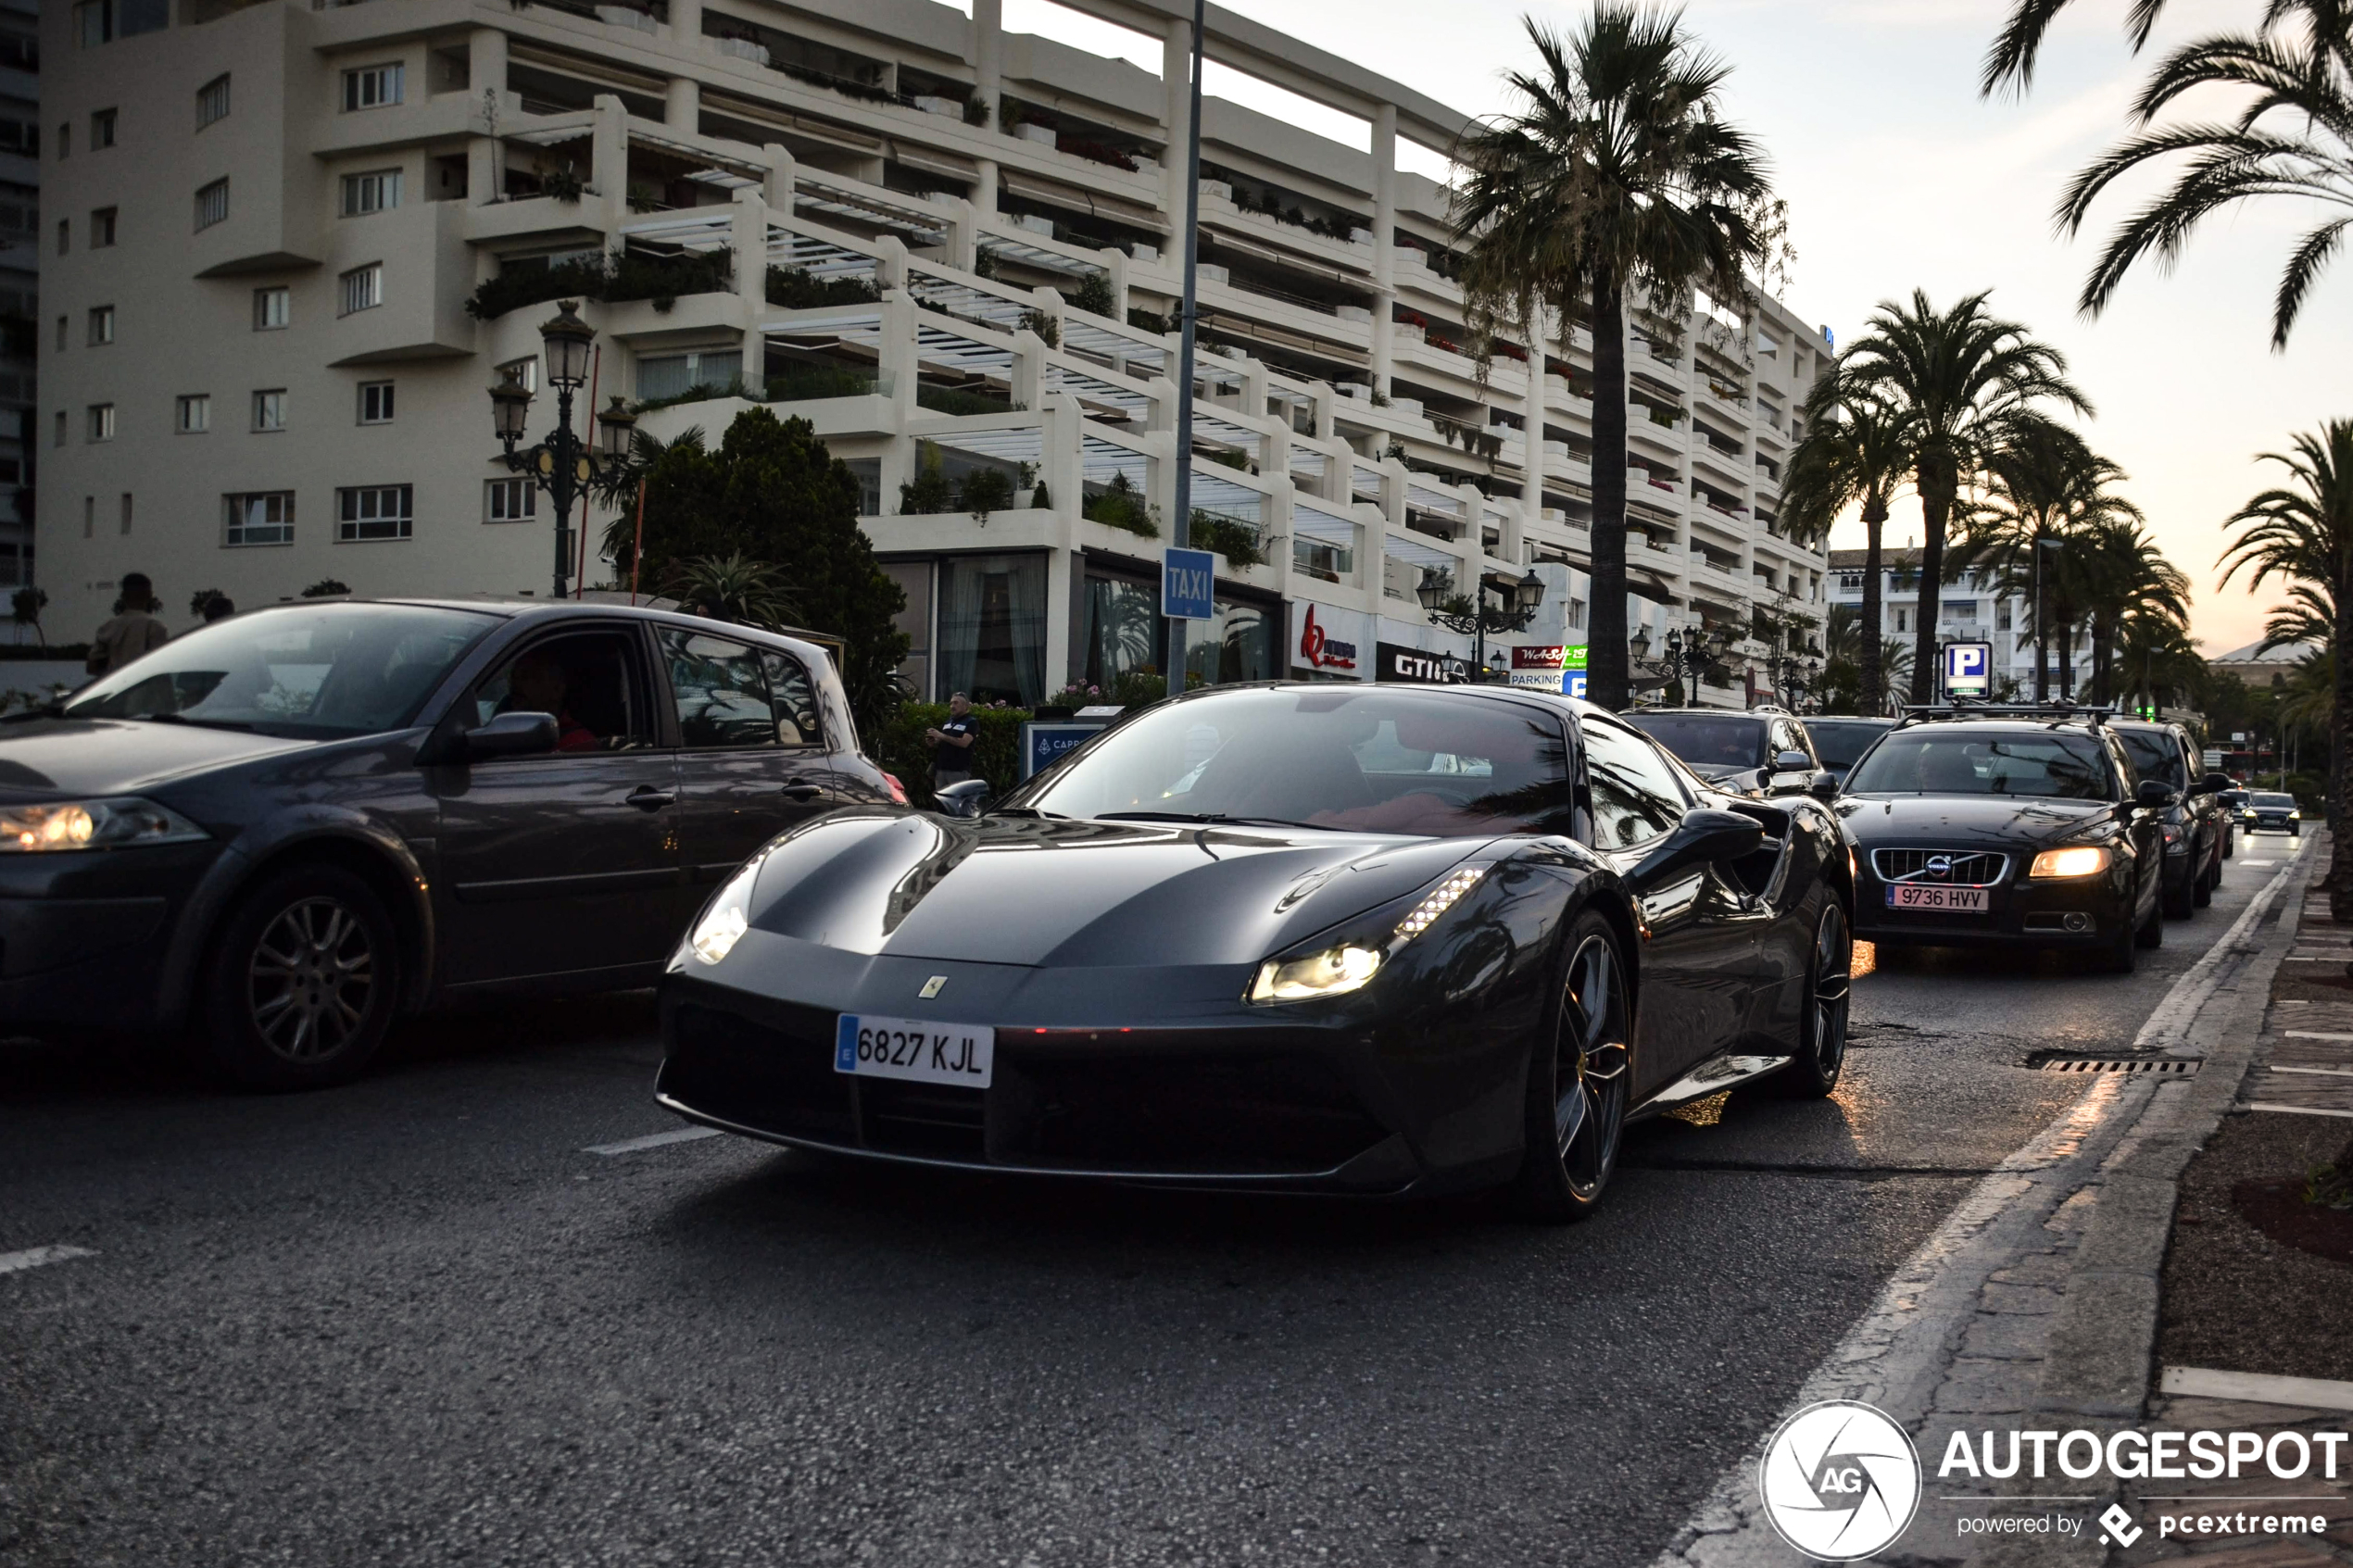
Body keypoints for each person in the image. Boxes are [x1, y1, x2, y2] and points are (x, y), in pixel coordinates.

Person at [503, 648, 598, 753]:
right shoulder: (504, 731)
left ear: (557, 689)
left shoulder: (578, 743)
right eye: (513, 676)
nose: (517, 683)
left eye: (527, 676)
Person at [87, 572, 171, 677]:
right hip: (144, 688)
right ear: (149, 595)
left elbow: (92, 667)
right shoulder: (155, 627)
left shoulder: (108, 627)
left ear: (123, 596)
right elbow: (161, 666)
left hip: (116, 687)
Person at [925, 691, 978, 789]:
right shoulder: (948, 722)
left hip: (958, 770)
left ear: (965, 706)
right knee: (941, 801)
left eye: (956, 703)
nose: (952, 706)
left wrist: (941, 736)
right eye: (951, 703)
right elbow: (945, 741)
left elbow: (964, 743)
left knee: (955, 801)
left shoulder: (971, 722)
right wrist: (934, 742)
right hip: (941, 769)